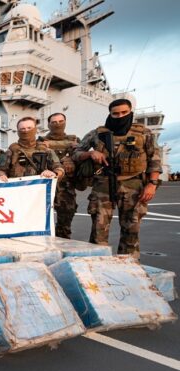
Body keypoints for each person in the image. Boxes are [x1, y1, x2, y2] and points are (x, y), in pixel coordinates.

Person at [73, 99, 162, 259]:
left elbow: (154, 159)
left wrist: (152, 184)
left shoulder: (143, 133)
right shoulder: (97, 133)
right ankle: (97, 266)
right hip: (103, 185)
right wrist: (91, 153)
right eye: (115, 113)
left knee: (131, 230)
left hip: (133, 185)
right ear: (110, 114)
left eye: (124, 113)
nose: (119, 116)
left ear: (130, 112)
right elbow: (77, 152)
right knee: (98, 231)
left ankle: (129, 268)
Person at [39, 113, 80, 238]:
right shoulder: (41, 141)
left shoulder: (75, 140)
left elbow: (82, 158)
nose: (58, 124)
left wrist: (73, 159)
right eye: (54, 122)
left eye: (61, 121)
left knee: (66, 220)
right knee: (42, 221)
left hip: (67, 186)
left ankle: (63, 242)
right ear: (49, 124)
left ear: (65, 122)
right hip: (46, 186)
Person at [0, 117, 64, 181]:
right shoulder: (10, 150)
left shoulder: (46, 150)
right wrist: (1, 175)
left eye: (29, 128)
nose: (26, 131)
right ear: (18, 131)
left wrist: (54, 173)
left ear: (35, 129)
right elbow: (1, 170)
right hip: (17, 189)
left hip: (40, 189)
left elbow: (58, 167)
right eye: (22, 129)